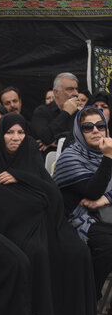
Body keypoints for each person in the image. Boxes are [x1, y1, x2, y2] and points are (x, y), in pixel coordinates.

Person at [0, 113, 97, 315]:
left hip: (44, 224)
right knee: (35, 251)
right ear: (0, 135)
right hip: (7, 228)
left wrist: (21, 177)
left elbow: (52, 195)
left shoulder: (31, 157)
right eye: (10, 132)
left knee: (76, 252)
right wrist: (32, 199)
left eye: (21, 132)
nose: (15, 137)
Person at [53, 106, 112, 294]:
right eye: (88, 127)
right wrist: (108, 156)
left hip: (103, 215)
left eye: (100, 126)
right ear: (79, 131)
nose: (95, 130)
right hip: (77, 220)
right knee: (107, 245)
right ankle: (88, 297)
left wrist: (107, 199)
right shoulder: (70, 157)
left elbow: (99, 197)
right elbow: (92, 191)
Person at [31, 72, 83, 151]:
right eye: (70, 89)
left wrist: (59, 141)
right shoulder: (42, 112)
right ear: (56, 92)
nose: (76, 93)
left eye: (76, 89)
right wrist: (65, 113)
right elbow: (46, 138)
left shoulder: (80, 114)